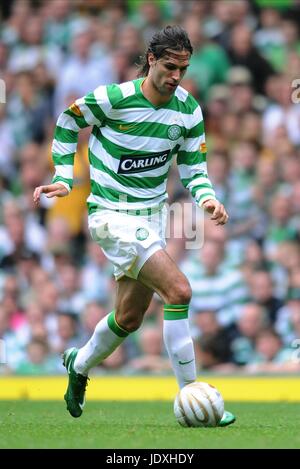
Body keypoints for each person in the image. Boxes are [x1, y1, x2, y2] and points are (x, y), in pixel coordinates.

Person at [33, 25, 235, 426]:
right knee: (179, 290)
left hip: (152, 217)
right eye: (170, 66)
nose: (177, 76)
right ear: (151, 60)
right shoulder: (114, 98)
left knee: (128, 318)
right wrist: (63, 174)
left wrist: (207, 196)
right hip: (111, 215)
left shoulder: (188, 110)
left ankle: (79, 363)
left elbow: (194, 167)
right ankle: (193, 396)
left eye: (184, 68)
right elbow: (68, 120)